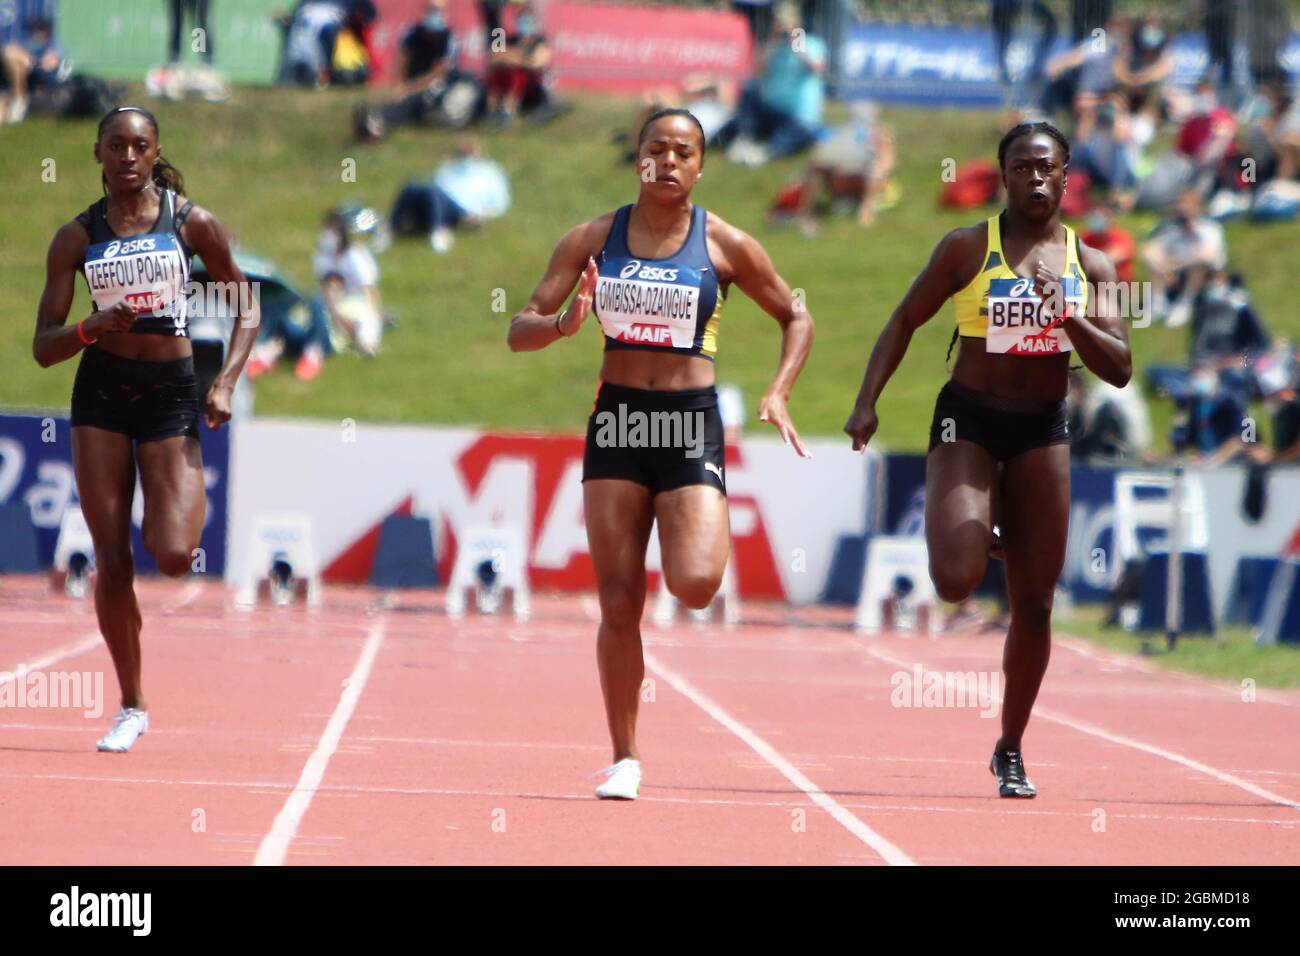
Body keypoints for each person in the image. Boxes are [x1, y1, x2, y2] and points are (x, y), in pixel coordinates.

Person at [507, 108, 814, 799]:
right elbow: (518, 328)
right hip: (618, 422)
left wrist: (780, 390)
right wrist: (563, 324)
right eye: (656, 149)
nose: (668, 162)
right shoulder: (592, 239)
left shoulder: (726, 245)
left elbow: (797, 313)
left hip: (687, 426)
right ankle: (625, 757)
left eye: (684, 152)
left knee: (696, 583)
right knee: (619, 601)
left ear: (701, 166)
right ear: (637, 158)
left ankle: (634, 734)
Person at [843, 121, 1131, 798]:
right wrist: (866, 402)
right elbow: (904, 320)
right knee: (953, 578)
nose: (1036, 178)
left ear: (1067, 178)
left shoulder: (1095, 269)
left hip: (1042, 432)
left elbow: (1118, 367)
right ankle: (981, 521)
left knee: (1034, 605)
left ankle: (1010, 748)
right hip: (968, 421)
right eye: (1023, 167)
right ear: (1003, 176)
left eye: (1048, 168)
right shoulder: (968, 248)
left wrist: (1069, 317)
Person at [32, 106, 258, 752]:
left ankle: (178, 499)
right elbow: (43, 347)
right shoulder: (75, 239)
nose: (128, 156)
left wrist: (225, 382)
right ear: (98, 153)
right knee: (112, 558)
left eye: (140, 146)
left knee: (174, 554)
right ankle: (131, 703)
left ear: (157, 153)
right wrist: (89, 328)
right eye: (116, 146)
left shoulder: (192, 223)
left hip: (170, 394)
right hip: (101, 392)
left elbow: (247, 309)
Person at [714, 3, 826, 165]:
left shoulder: (813, 43)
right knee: (749, 91)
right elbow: (756, 69)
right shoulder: (774, 47)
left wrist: (797, 46)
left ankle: (765, 153)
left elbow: (817, 68)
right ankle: (741, 139)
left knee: (787, 139)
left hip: (798, 116)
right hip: (773, 112)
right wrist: (773, 42)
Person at [389, 136, 510, 253]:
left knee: (433, 190)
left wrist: (481, 215)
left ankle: (438, 232)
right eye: (463, 152)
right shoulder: (447, 168)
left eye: (470, 151)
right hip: (437, 203)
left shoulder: (490, 172)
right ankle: (390, 228)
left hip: (462, 210)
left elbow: (500, 202)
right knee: (411, 185)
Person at [484, 0, 550, 126]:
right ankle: (492, 111)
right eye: (522, 19)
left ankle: (507, 111)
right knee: (498, 72)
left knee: (518, 73)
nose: (524, 23)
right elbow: (494, 58)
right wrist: (518, 58)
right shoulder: (511, 39)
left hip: (533, 87)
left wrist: (513, 58)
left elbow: (537, 62)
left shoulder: (540, 40)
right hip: (507, 79)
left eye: (527, 20)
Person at [0, 16, 66, 124]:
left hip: (44, 76)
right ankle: (17, 97)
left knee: (11, 53)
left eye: (42, 30)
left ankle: (19, 97)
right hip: (27, 73)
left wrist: (31, 60)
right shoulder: (31, 44)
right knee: (10, 53)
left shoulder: (53, 45)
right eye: (37, 30)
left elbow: (50, 63)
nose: (39, 33)